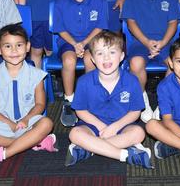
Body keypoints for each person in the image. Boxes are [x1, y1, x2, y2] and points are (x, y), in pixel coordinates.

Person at [65, 31, 153, 169]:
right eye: (100, 53)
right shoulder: (84, 81)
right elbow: (80, 110)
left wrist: (115, 127)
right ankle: (125, 155)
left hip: (122, 124)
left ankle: (90, 148)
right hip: (93, 125)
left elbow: (135, 112)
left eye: (112, 52)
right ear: (93, 59)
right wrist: (101, 127)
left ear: (122, 56)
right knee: (74, 134)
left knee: (139, 133)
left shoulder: (132, 81)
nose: (106, 58)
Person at [0, 24, 57, 165]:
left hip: (29, 122)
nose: (14, 51)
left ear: (28, 47)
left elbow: (40, 105)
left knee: (47, 123)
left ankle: (4, 153)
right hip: (3, 122)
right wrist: (10, 123)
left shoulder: (36, 75)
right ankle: (32, 142)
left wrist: (26, 119)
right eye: (7, 46)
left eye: (19, 45)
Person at [121, 0, 180, 122]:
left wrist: (162, 43)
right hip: (140, 43)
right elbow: (131, 24)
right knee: (135, 63)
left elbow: (173, 24)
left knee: (175, 63)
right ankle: (142, 100)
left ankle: (164, 103)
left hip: (166, 43)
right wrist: (147, 42)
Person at [53, 0, 109, 127]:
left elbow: (100, 27)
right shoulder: (60, 2)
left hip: (91, 42)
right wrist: (75, 44)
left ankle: (89, 98)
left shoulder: (99, 0)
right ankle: (69, 101)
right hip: (68, 42)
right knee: (69, 60)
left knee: (89, 59)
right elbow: (60, 29)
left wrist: (84, 43)